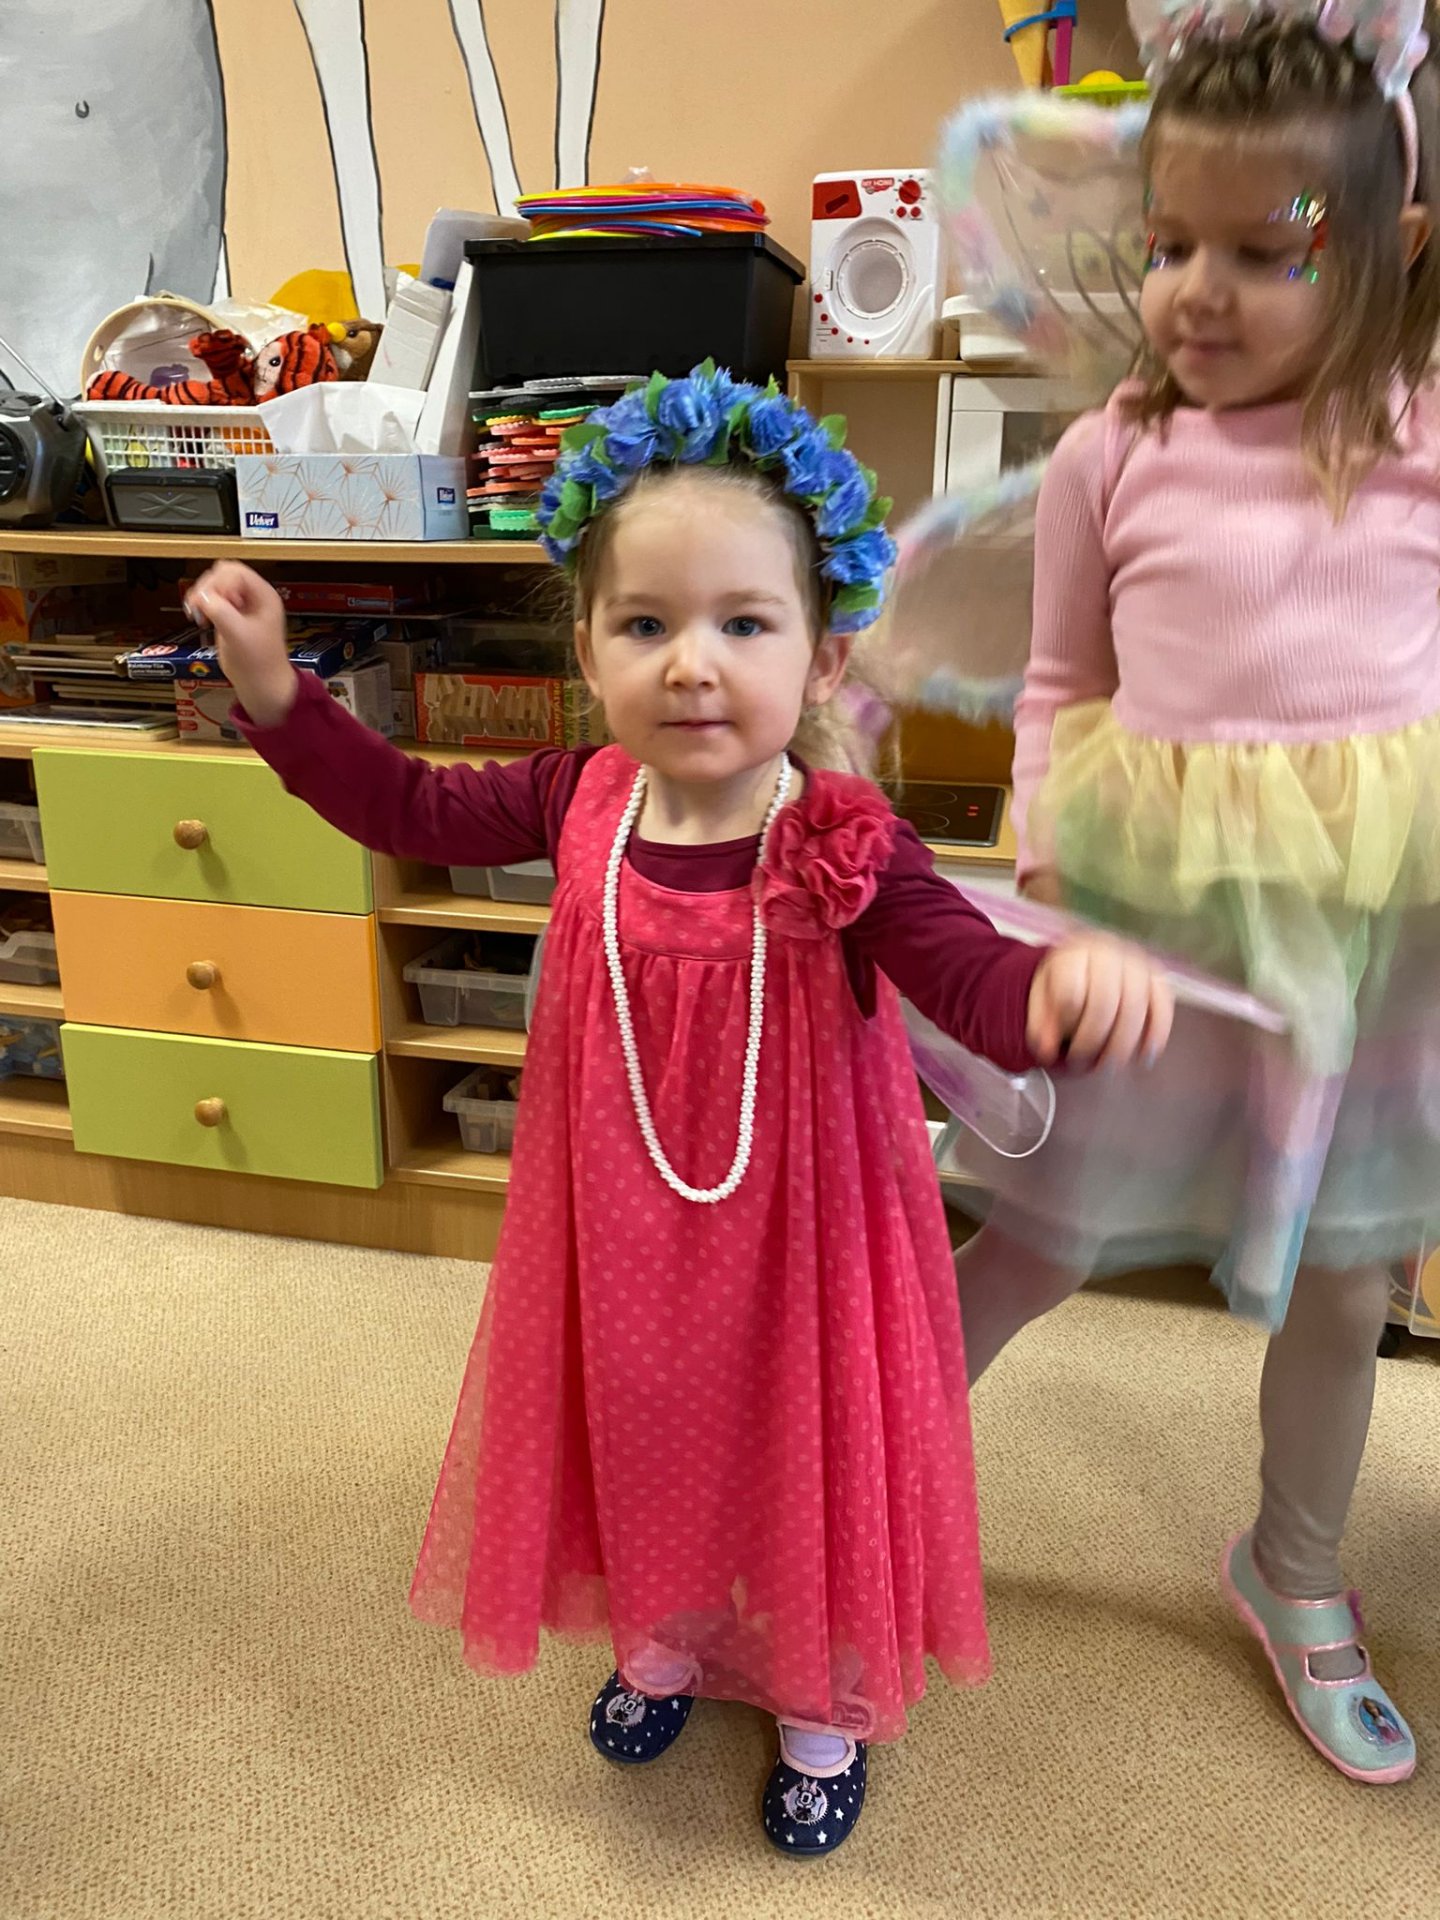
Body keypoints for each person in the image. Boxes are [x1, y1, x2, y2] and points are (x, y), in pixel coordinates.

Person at [186, 366, 1170, 1856]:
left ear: (827, 657)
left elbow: (968, 977)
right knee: (644, 1425)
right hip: (621, 1224)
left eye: (744, 624)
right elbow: (404, 808)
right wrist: (276, 690)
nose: (694, 664)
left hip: (805, 1246)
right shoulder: (577, 797)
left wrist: (1057, 993)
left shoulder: (843, 837)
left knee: (794, 1447)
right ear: (587, 648)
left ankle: (820, 1693)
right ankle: (666, 1630)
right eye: (646, 624)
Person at [952, 0, 1440, 1787]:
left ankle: (1294, 1571)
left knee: (1349, 1272)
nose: (1196, 294)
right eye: (1168, 246)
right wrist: (1046, 863)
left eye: (1266, 251)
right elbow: (1058, 683)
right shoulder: (1111, 454)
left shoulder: (1420, 428)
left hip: (1377, 935)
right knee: (1047, 1229)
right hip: (1156, 930)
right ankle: (849, 1482)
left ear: (1393, 248)